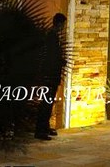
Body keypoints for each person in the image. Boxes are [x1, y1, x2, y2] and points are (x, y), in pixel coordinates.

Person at [35, 12, 67, 140]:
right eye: (63, 24)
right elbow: (51, 56)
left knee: (48, 102)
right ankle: (40, 130)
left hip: (52, 75)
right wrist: (60, 61)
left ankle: (45, 127)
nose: (63, 27)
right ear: (59, 24)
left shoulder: (53, 36)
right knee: (46, 102)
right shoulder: (51, 36)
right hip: (50, 75)